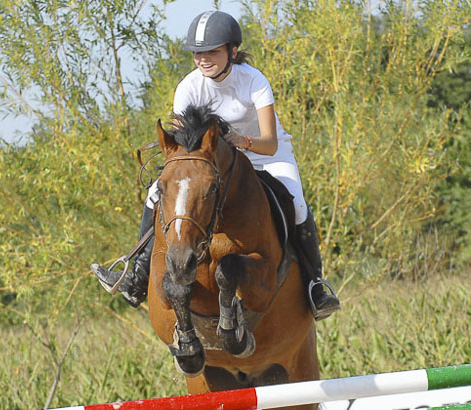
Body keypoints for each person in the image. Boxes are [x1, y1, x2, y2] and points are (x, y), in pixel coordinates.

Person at [91, 10, 340, 320]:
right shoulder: (188, 87)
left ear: (232, 51)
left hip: (263, 155)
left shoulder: (254, 81)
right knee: (155, 193)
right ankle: (137, 275)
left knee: (298, 203)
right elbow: (185, 142)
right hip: (211, 162)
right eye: (198, 52)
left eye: (212, 51)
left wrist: (241, 142)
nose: (203, 59)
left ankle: (315, 285)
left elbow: (270, 142)